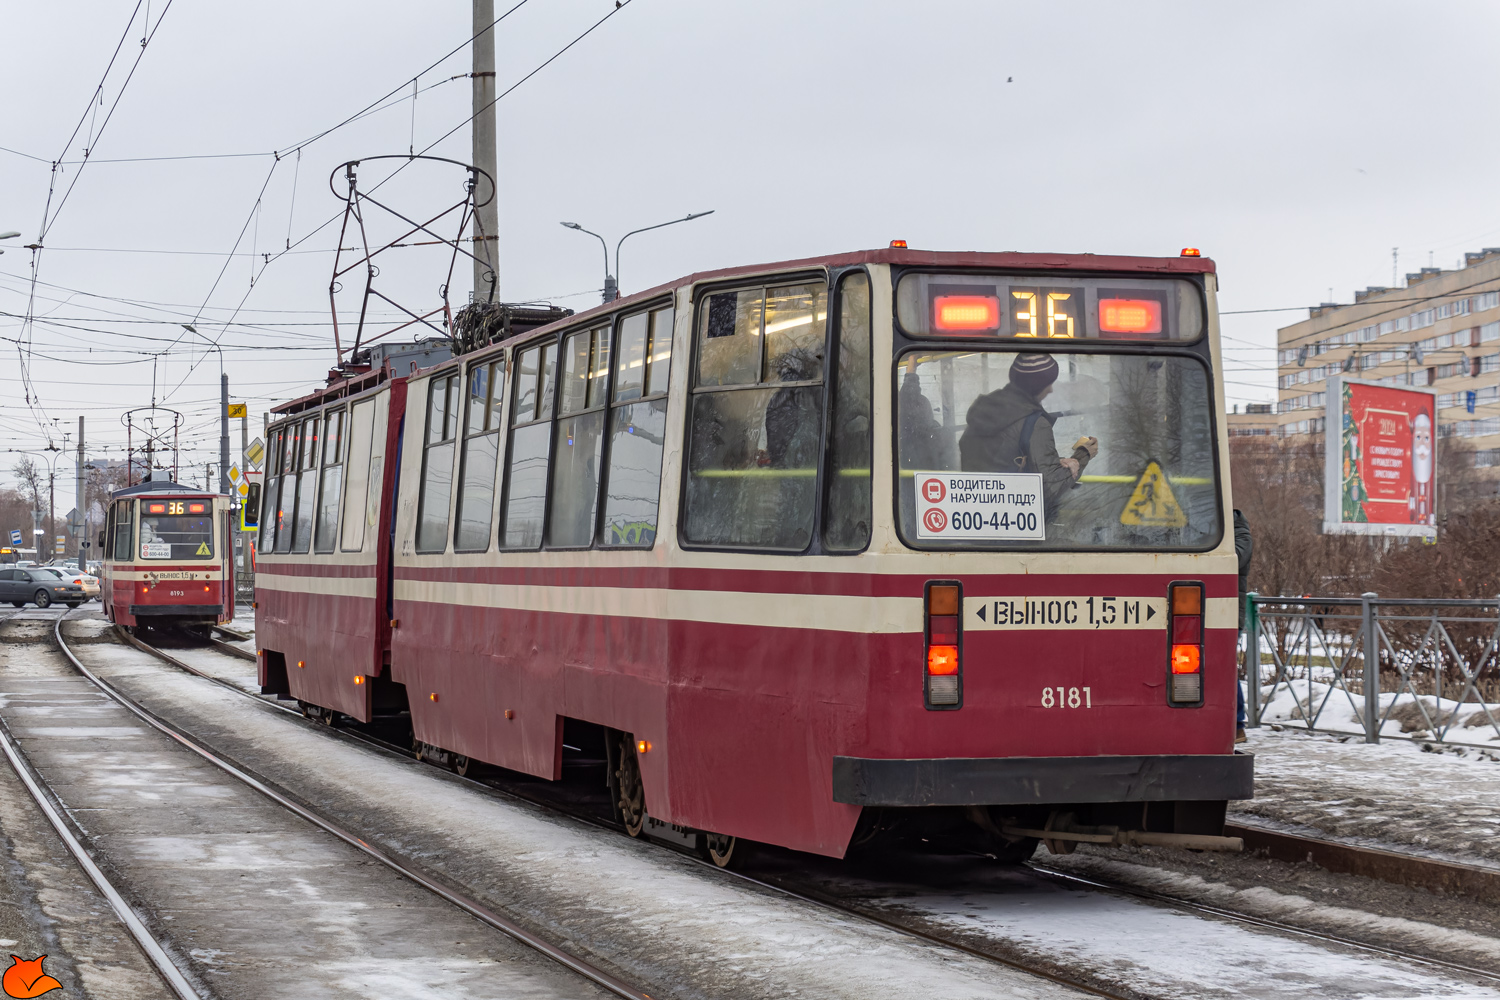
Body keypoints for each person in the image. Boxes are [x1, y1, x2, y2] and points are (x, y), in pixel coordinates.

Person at [959, 353, 1097, 516]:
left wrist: (1054, 462)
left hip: (977, 513)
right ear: (1036, 386)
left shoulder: (985, 412)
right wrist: (1083, 455)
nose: (1051, 390)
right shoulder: (1034, 423)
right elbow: (1051, 488)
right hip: (1016, 521)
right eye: (1048, 384)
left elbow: (999, 459)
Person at [1234, 508, 1253, 744]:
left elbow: (1234, 559)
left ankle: (1237, 725)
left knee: (1225, 667)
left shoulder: (1241, 534)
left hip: (1228, 611)